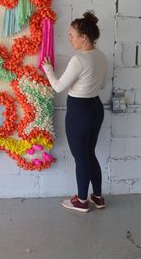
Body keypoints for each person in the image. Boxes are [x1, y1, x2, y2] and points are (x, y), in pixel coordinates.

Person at [42, 11, 108, 213]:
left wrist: (47, 69)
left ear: (84, 37)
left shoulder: (79, 60)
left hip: (79, 111)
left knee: (81, 157)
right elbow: (103, 84)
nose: (69, 39)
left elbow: (59, 86)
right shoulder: (101, 56)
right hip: (96, 108)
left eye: (72, 35)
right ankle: (97, 196)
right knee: (90, 154)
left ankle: (81, 201)